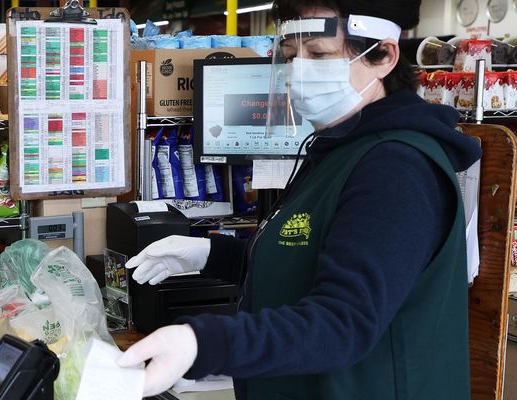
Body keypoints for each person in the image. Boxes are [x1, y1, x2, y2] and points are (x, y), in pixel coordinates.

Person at [118, 1, 481, 399]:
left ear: (384, 56)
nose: (299, 72)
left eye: (319, 54)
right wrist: (213, 254)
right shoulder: (340, 148)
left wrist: (203, 342)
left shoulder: (395, 167)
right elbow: (308, 262)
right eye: (291, 56)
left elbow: (343, 323)